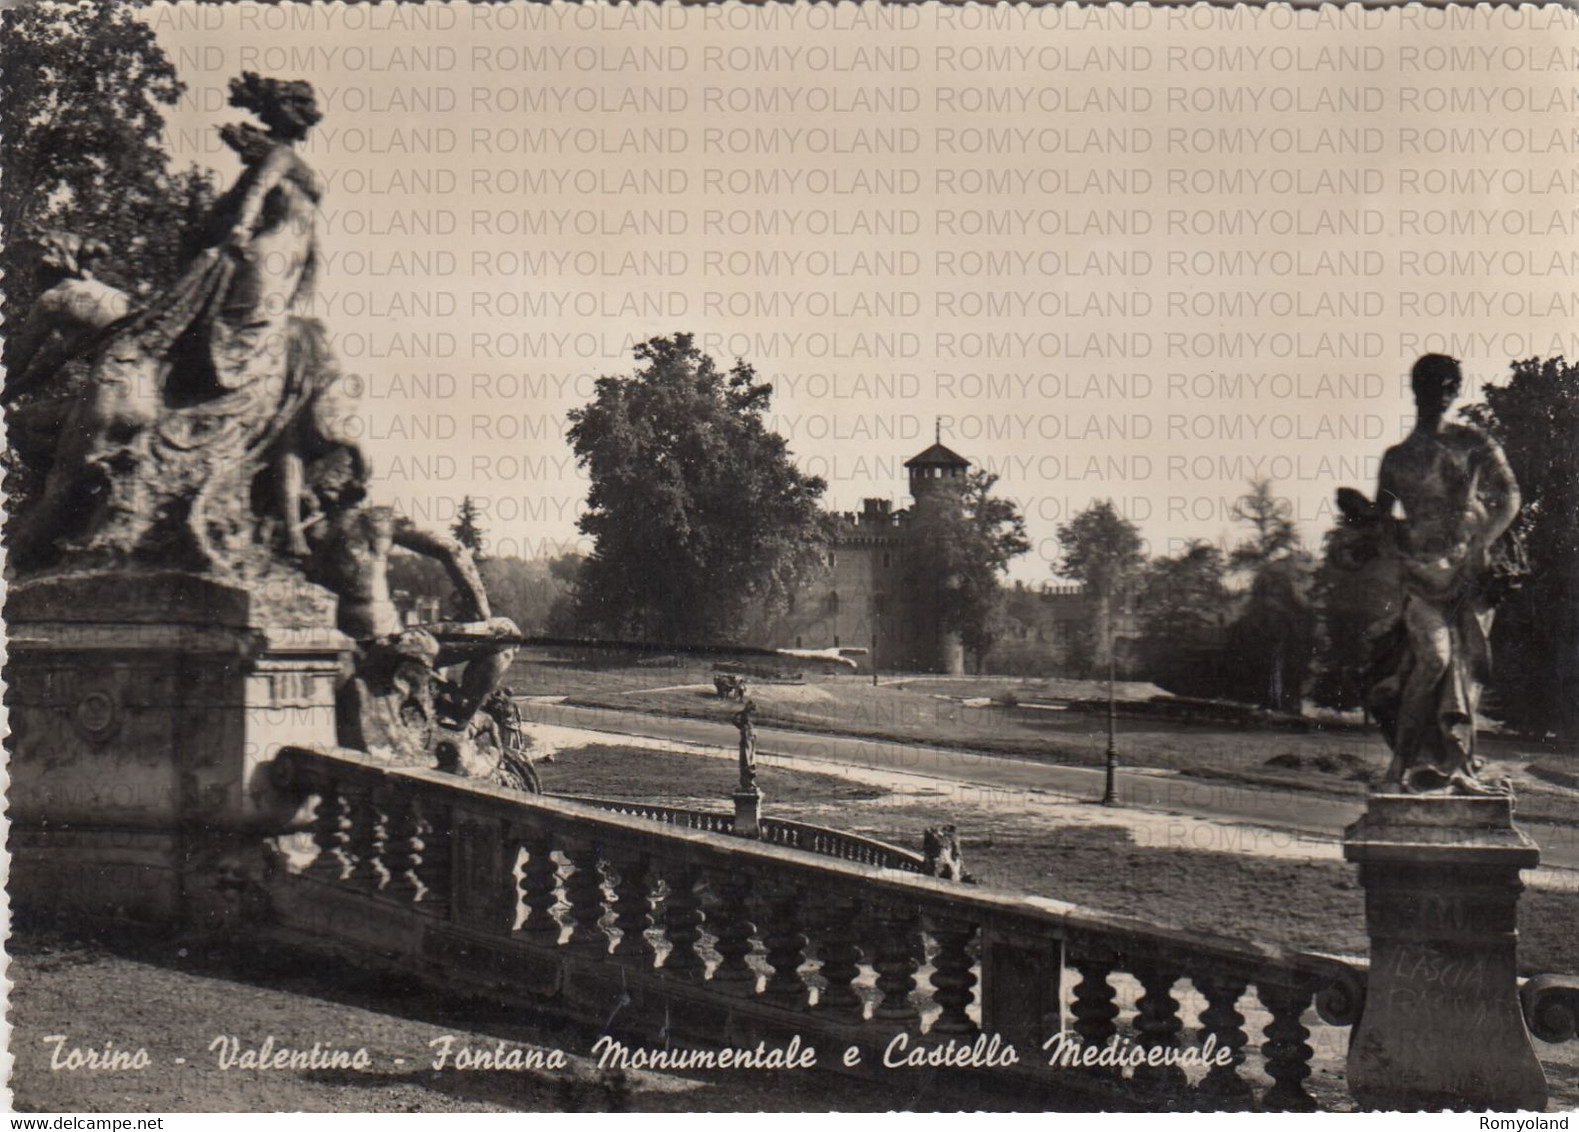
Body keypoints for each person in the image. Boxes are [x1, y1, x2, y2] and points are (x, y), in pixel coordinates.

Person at [1346, 355, 1521, 794]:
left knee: (1463, 669)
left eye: (1447, 386)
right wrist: (1359, 519)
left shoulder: (1473, 441)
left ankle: (1455, 769)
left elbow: (1510, 496)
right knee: (1434, 659)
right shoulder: (1397, 458)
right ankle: (1402, 768)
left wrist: (1482, 544)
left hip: (1468, 575)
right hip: (1421, 576)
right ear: (1416, 389)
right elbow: (1381, 519)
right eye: (1430, 385)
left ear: (1455, 391)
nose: (1439, 394)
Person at [300, 451, 520, 733]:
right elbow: (452, 550)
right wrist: (479, 610)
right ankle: (459, 713)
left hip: (346, 644)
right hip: (387, 642)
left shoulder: (310, 533)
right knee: (507, 633)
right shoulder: (376, 521)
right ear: (356, 484)